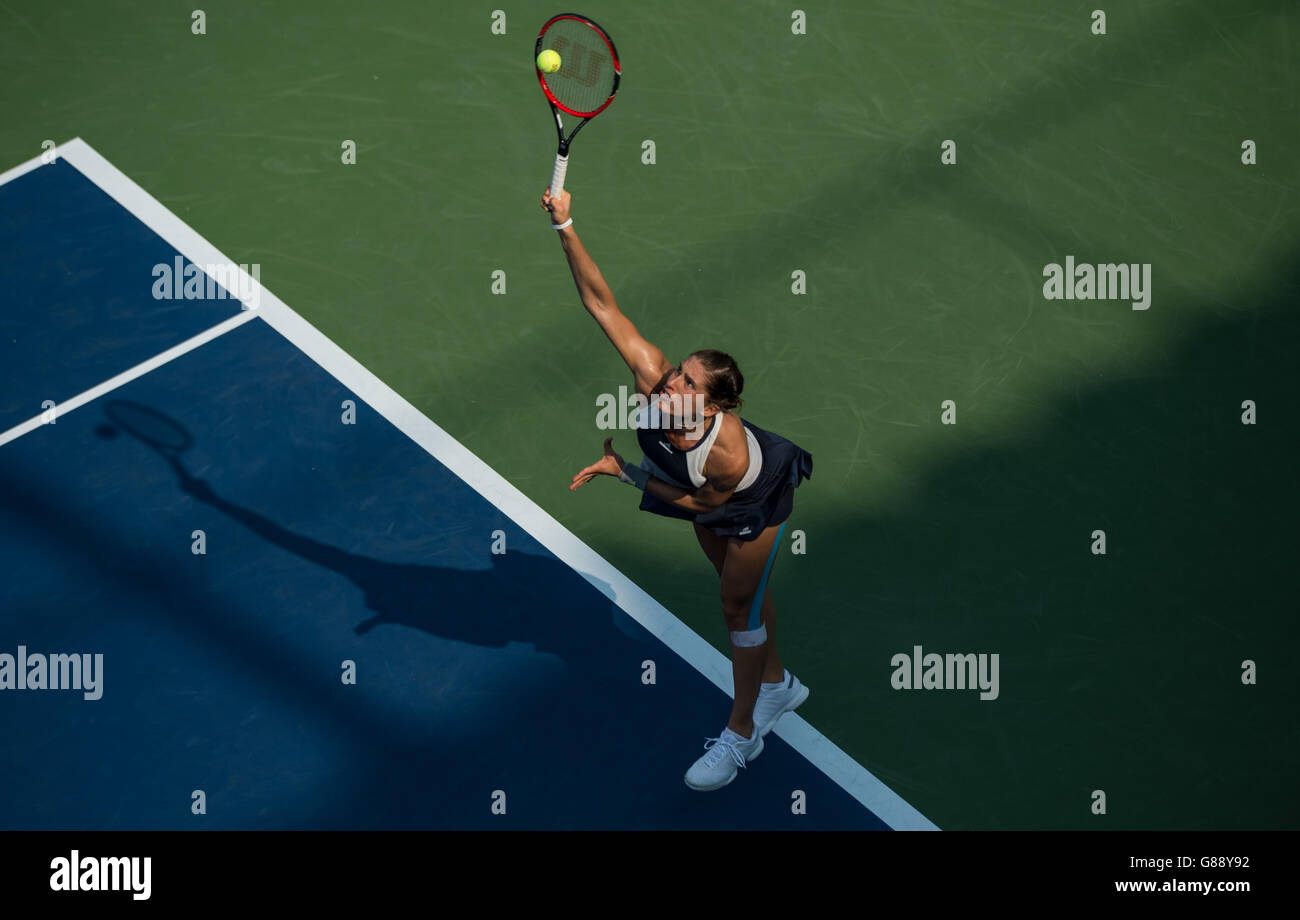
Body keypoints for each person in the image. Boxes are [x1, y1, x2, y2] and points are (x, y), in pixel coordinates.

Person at [543, 186, 813, 791]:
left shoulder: (725, 454)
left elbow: (702, 504)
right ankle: (778, 685)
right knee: (738, 589)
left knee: (733, 607)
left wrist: (630, 475)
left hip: (752, 501)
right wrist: (567, 225)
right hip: (701, 495)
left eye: (688, 383)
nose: (670, 383)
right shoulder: (651, 378)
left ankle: (744, 733)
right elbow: (602, 306)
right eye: (678, 371)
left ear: (714, 405)